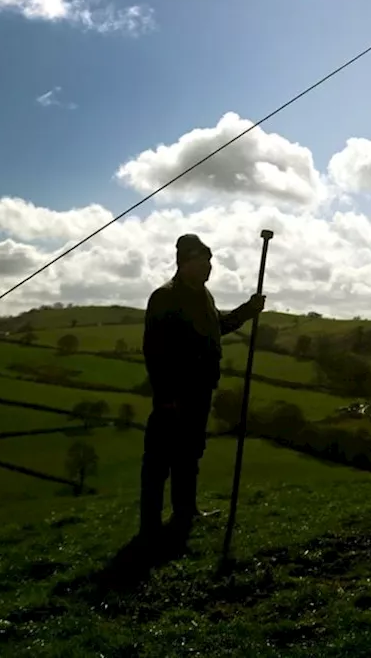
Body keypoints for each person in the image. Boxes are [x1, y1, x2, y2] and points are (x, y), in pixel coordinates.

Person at [138, 233, 264, 543]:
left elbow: (216, 325)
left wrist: (247, 311)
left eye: (210, 260)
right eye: (202, 260)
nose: (208, 266)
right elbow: (154, 349)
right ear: (184, 263)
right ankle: (150, 524)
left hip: (200, 389)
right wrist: (165, 396)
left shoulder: (203, 296)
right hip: (175, 393)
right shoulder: (165, 297)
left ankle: (185, 510)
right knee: (159, 459)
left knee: (190, 453)